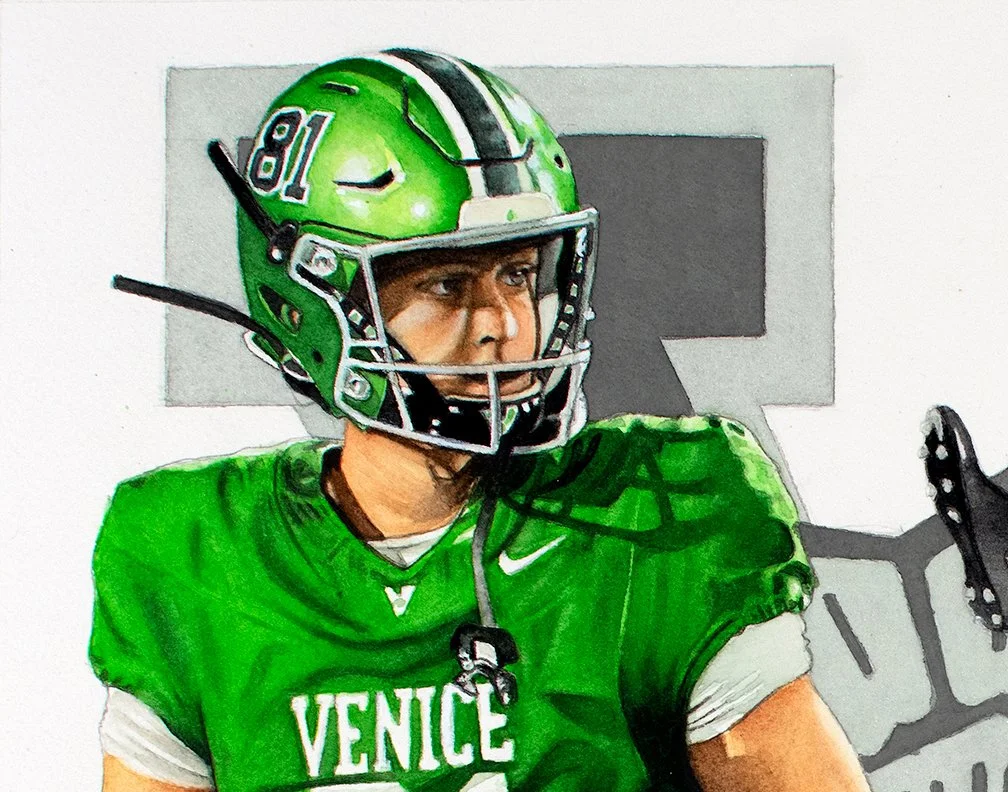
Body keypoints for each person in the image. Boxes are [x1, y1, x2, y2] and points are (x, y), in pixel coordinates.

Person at [90, 49, 870, 792]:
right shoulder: (192, 551)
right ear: (312, 306)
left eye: (519, 274)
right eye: (447, 284)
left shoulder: (658, 518)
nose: (506, 324)